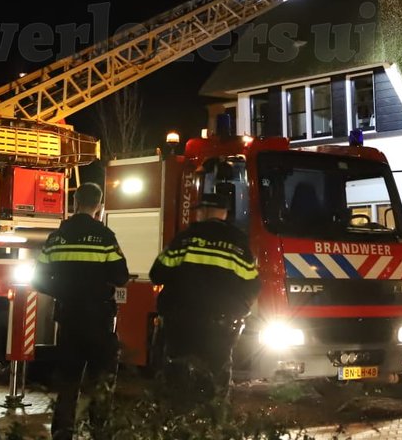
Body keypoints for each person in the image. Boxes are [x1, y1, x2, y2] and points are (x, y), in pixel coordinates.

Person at [35, 182, 130, 440]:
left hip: (68, 319)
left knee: (68, 383)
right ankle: (100, 432)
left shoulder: (57, 238)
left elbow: (39, 279)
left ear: (75, 203)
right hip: (99, 320)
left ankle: (62, 433)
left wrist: (63, 291)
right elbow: (121, 276)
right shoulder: (104, 237)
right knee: (101, 382)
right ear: (98, 206)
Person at [149, 189, 260, 406]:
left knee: (177, 382)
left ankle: (176, 426)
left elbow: (157, 274)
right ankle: (213, 428)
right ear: (224, 214)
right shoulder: (239, 246)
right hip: (220, 328)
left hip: (181, 325)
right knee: (216, 386)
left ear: (205, 211)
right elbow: (253, 285)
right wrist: (238, 311)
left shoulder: (184, 239)